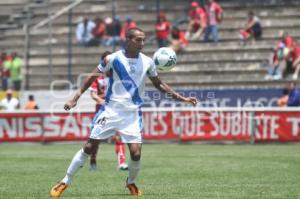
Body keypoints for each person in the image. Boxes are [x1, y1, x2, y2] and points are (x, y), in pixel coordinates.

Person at [50, 27, 197, 197]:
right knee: (90, 146)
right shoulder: (112, 59)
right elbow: (92, 77)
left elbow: (159, 84)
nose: (142, 43)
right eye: (138, 40)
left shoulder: (148, 62)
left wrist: (182, 98)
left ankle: (131, 182)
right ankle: (65, 181)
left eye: (143, 40)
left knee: (136, 153)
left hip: (132, 114)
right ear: (128, 40)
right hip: (111, 110)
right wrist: (75, 98)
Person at [88, 51, 128, 171]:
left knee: (118, 136)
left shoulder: (118, 76)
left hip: (115, 110)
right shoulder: (97, 77)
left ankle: (121, 163)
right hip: (101, 111)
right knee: (96, 139)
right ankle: (93, 161)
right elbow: (93, 94)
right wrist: (102, 101)